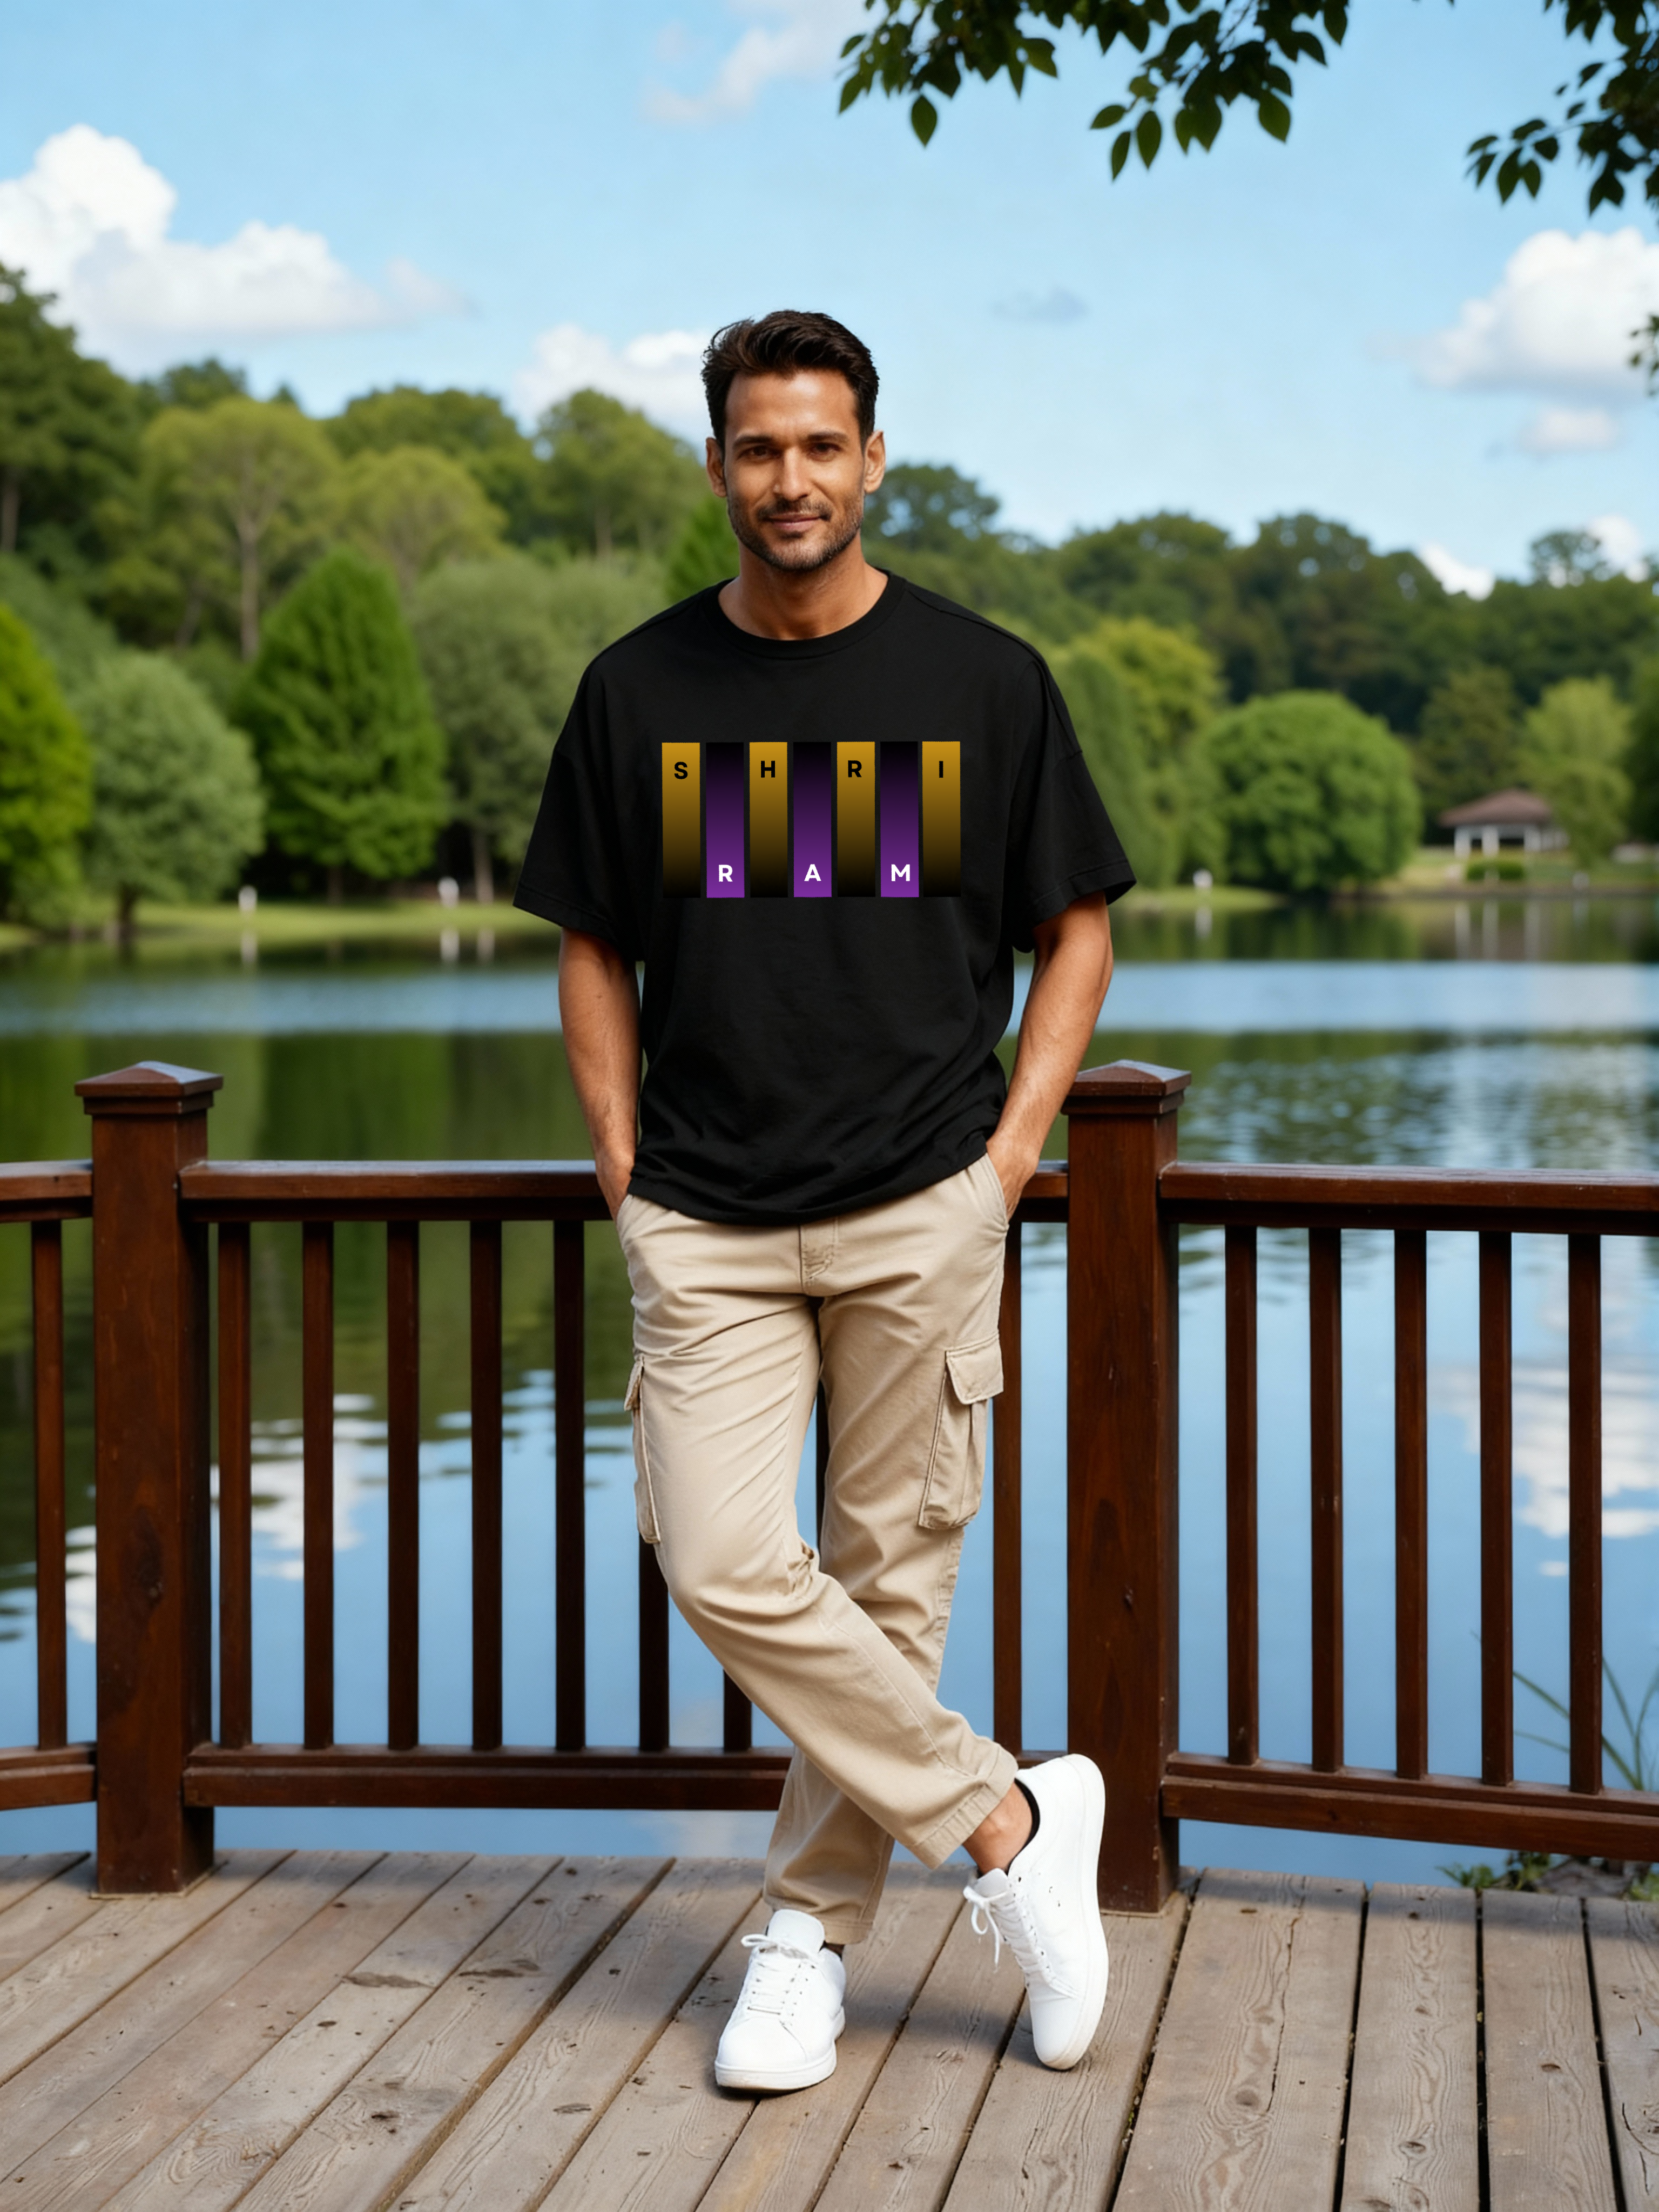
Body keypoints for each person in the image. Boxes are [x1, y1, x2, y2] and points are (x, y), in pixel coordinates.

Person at [514, 309, 1133, 2090]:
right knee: (717, 1555)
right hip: (705, 1216)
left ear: (874, 460)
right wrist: (625, 1165)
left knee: (889, 1590)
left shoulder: (985, 682)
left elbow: (1074, 930)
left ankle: (801, 1935)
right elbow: (592, 944)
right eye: (759, 447)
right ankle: (1009, 1822)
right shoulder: (637, 689)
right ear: (717, 465)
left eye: (822, 445)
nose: (791, 477)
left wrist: (1008, 1162)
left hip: (918, 1205)